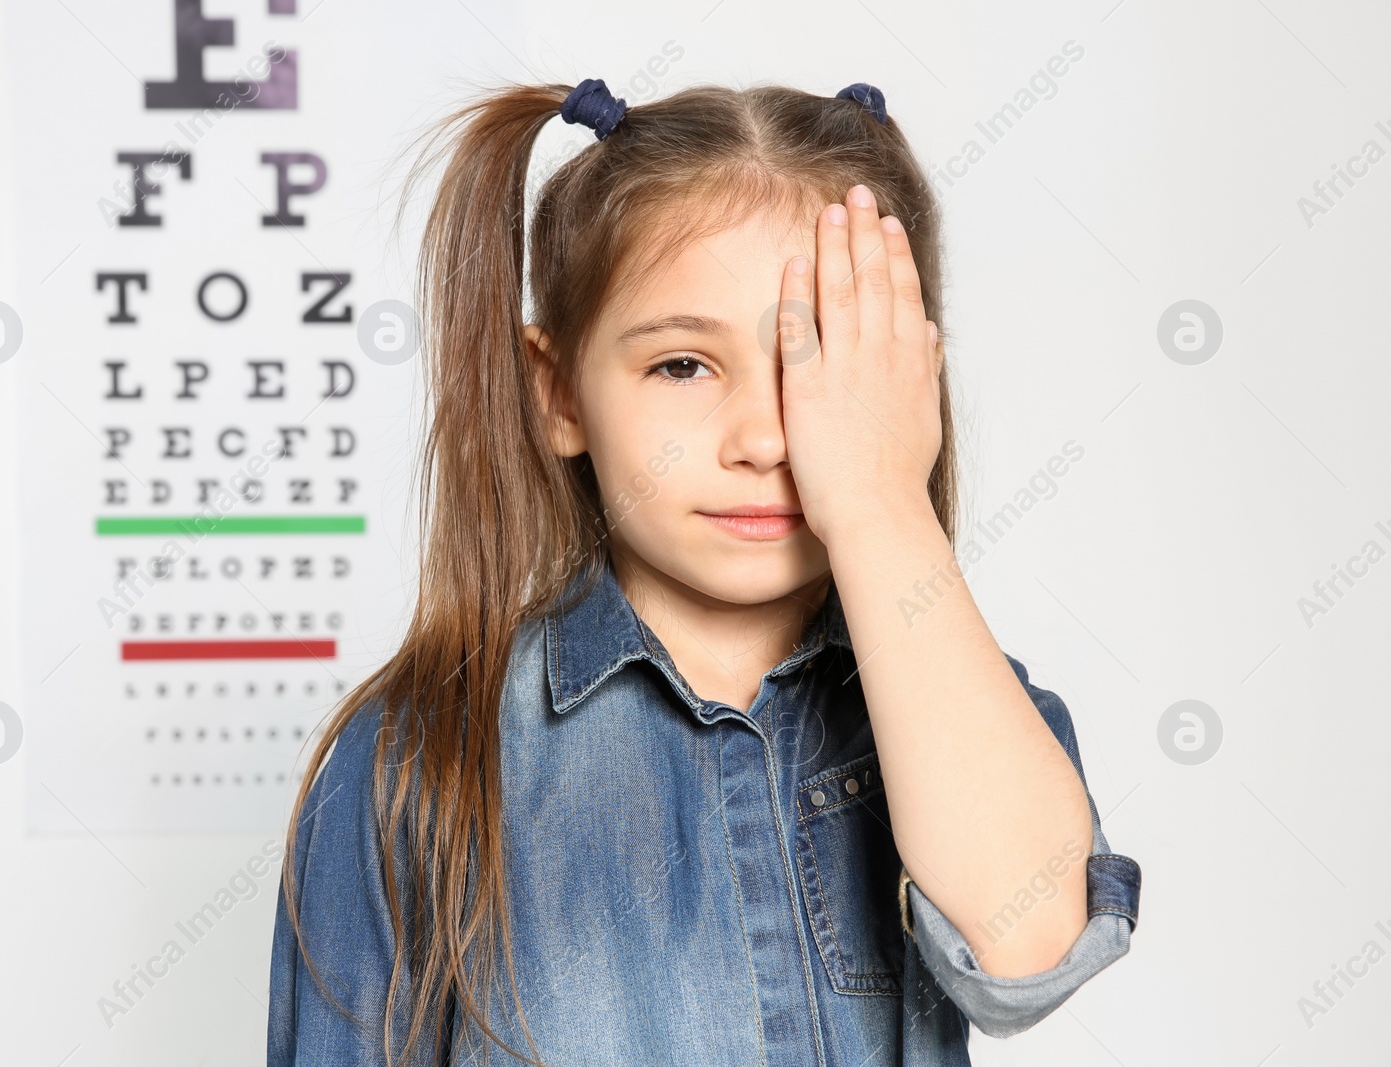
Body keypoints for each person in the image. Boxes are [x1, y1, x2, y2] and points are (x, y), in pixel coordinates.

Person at [267, 77, 1142, 1067]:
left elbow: (1025, 953)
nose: (764, 436)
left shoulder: (967, 701)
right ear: (556, 392)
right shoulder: (411, 755)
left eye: (816, 363)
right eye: (682, 365)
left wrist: (877, 498)